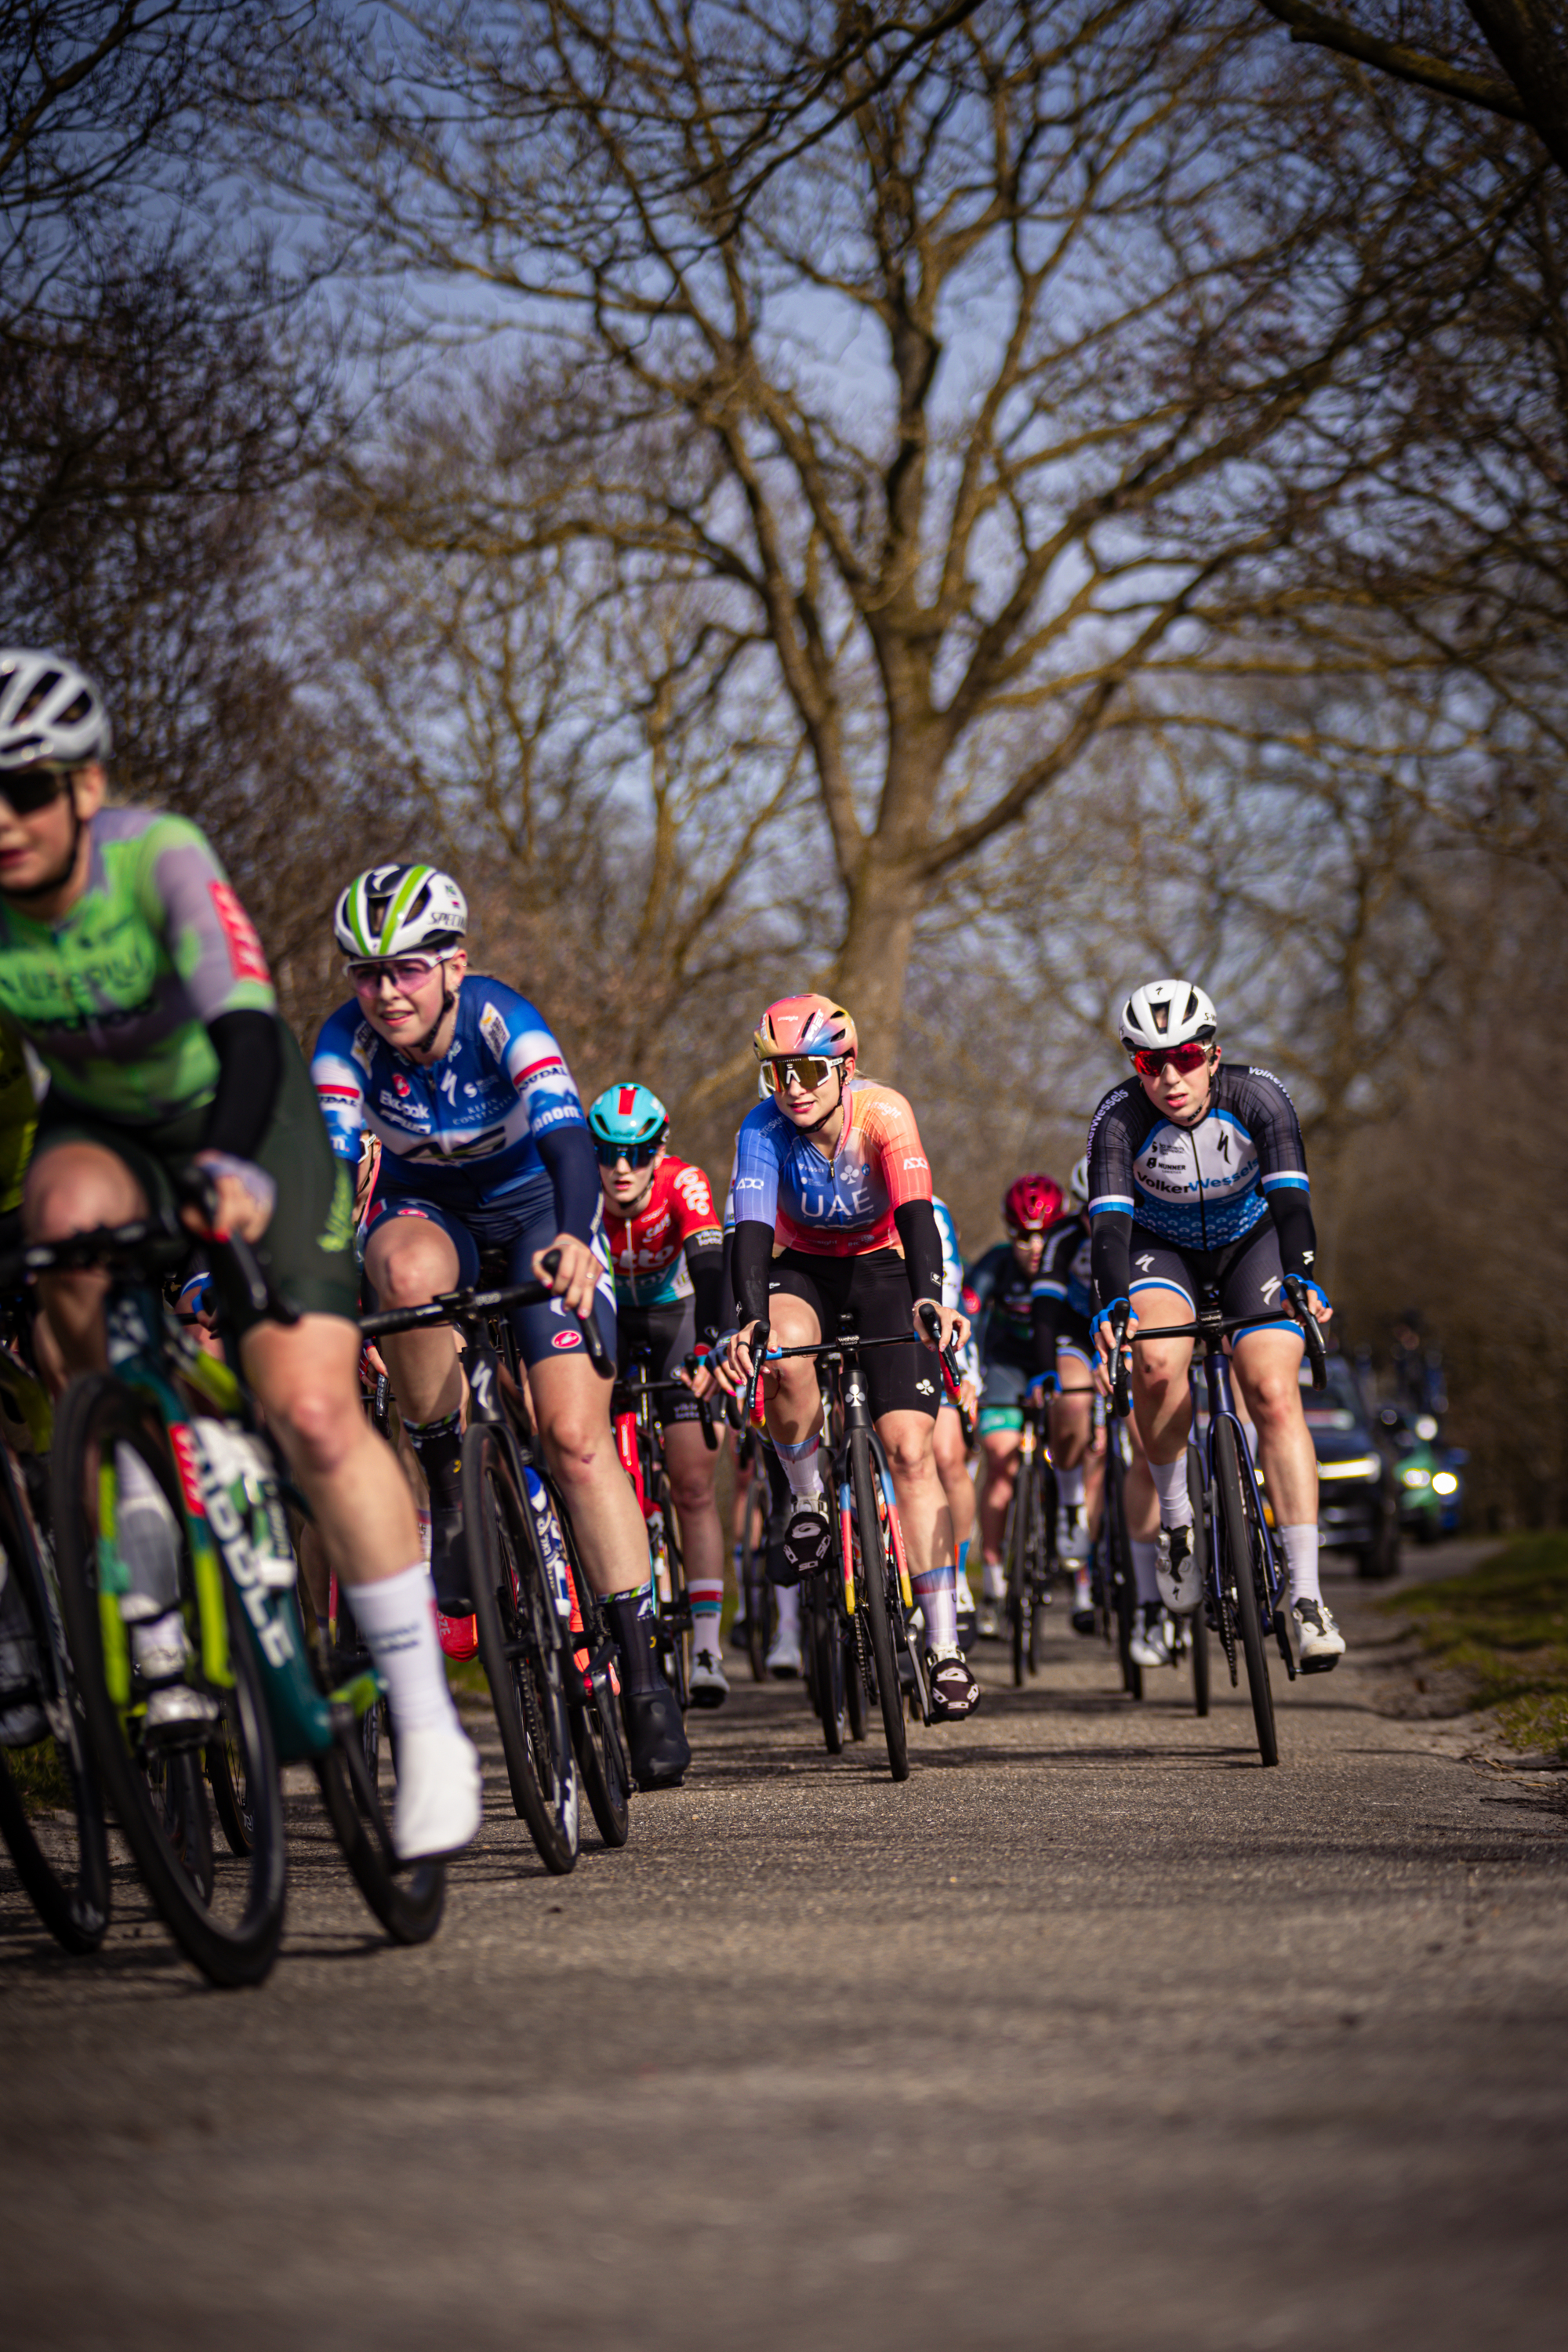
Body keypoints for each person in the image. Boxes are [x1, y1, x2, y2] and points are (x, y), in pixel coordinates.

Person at [0, 649, 481, 1857]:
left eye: (29, 789)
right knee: (58, 1230)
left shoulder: (156, 858)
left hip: (245, 1113)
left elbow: (254, 1030)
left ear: (86, 789)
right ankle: (149, 1574)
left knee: (313, 1411)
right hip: (104, 1134)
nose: (5, 822)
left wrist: (228, 1168)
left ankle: (426, 1722)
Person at [312, 862, 691, 1789]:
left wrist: (571, 1236)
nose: (384, 991)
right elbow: (328, 1184)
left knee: (572, 1438)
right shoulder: (342, 1047)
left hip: (534, 1215)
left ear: (453, 964)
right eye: (365, 972)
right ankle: (449, 1488)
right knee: (394, 1270)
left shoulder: (500, 1021)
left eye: (405, 968)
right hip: (426, 1220)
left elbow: (569, 1141)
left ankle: (641, 1676)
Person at [716, 995, 980, 1719]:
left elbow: (917, 1215)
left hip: (885, 1269)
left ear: (846, 1067)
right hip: (804, 1270)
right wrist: (750, 1323)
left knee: (910, 1450)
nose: (792, 1087)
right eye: (777, 1073)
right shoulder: (763, 1128)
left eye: (807, 1069)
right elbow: (749, 1234)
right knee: (782, 1355)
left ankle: (946, 1647)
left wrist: (931, 1297)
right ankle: (804, 1496)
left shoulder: (884, 1114)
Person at [1085, 978, 1344, 1668]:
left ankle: (1308, 1596)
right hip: (1157, 1249)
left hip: (1249, 1243)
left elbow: (1291, 1205)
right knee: (1158, 1363)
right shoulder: (1117, 1119)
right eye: (1148, 1062)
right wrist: (1114, 1302)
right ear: (1133, 1063)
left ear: (1213, 1052)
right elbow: (1108, 1228)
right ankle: (1176, 1520)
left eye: (1186, 1058)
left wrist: (1301, 1273)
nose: (1170, 1077)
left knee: (1270, 1390)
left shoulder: (1259, 1096)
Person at [589, 1080, 729, 1707]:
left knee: (693, 1483)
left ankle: (706, 1646)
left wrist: (709, 1348)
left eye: (638, 1154)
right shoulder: (581, 1190)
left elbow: (710, 1270)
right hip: (610, 1318)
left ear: (659, 1150)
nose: (622, 1168)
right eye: (608, 1153)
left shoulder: (684, 1183)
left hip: (678, 1314)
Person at [964, 1173, 1064, 1639]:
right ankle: (994, 1579)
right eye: (1023, 1235)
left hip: (1059, 1363)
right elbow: (969, 1313)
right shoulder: (996, 1265)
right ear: (1009, 1233)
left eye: (1043, 1234)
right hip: (1004, 1366)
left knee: (1082, 1447)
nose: (1034, 1246)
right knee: (1001, 1461)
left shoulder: (1068, 1260)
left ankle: (1074, 1554)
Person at [1029, 1155, 1101, 1632]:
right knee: (1072, 1400)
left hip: (1133, 1327)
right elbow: (1045, 1310)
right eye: (1085, 1210)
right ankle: (1071, 1503)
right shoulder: (1062, 1238)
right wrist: (1043, 1372)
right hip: (1076, 1331)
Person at [932, 1195, 979, 1644]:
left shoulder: (931, 1207)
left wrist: (962, 1374)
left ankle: (959, 1575)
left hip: (935, 1338)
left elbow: (948, 1288)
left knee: (947, 1455)